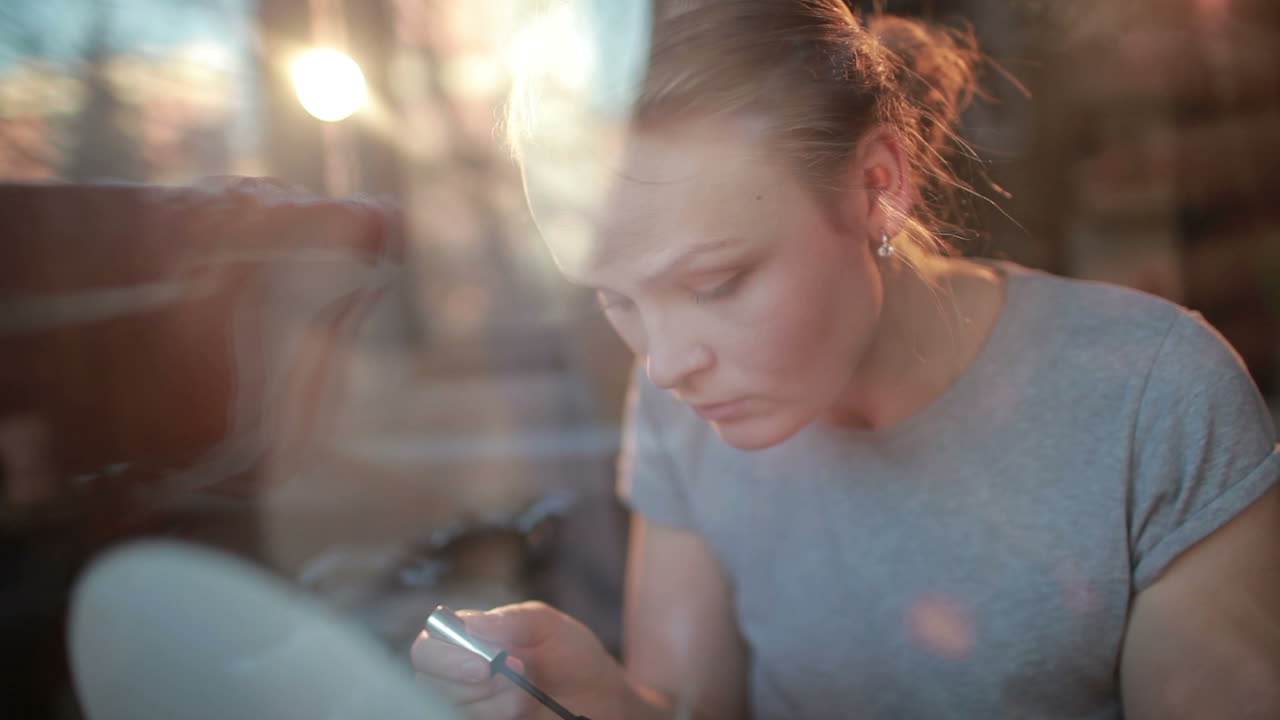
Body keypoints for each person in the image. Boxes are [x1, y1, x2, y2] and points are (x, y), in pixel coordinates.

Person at [411, 1, 1280, 717]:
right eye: (615, 297)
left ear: (877, 187)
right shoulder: (683, 408)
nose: (668, 362)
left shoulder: (1154, 396)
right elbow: (685, 706)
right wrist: (594, 698)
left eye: (717, 282)